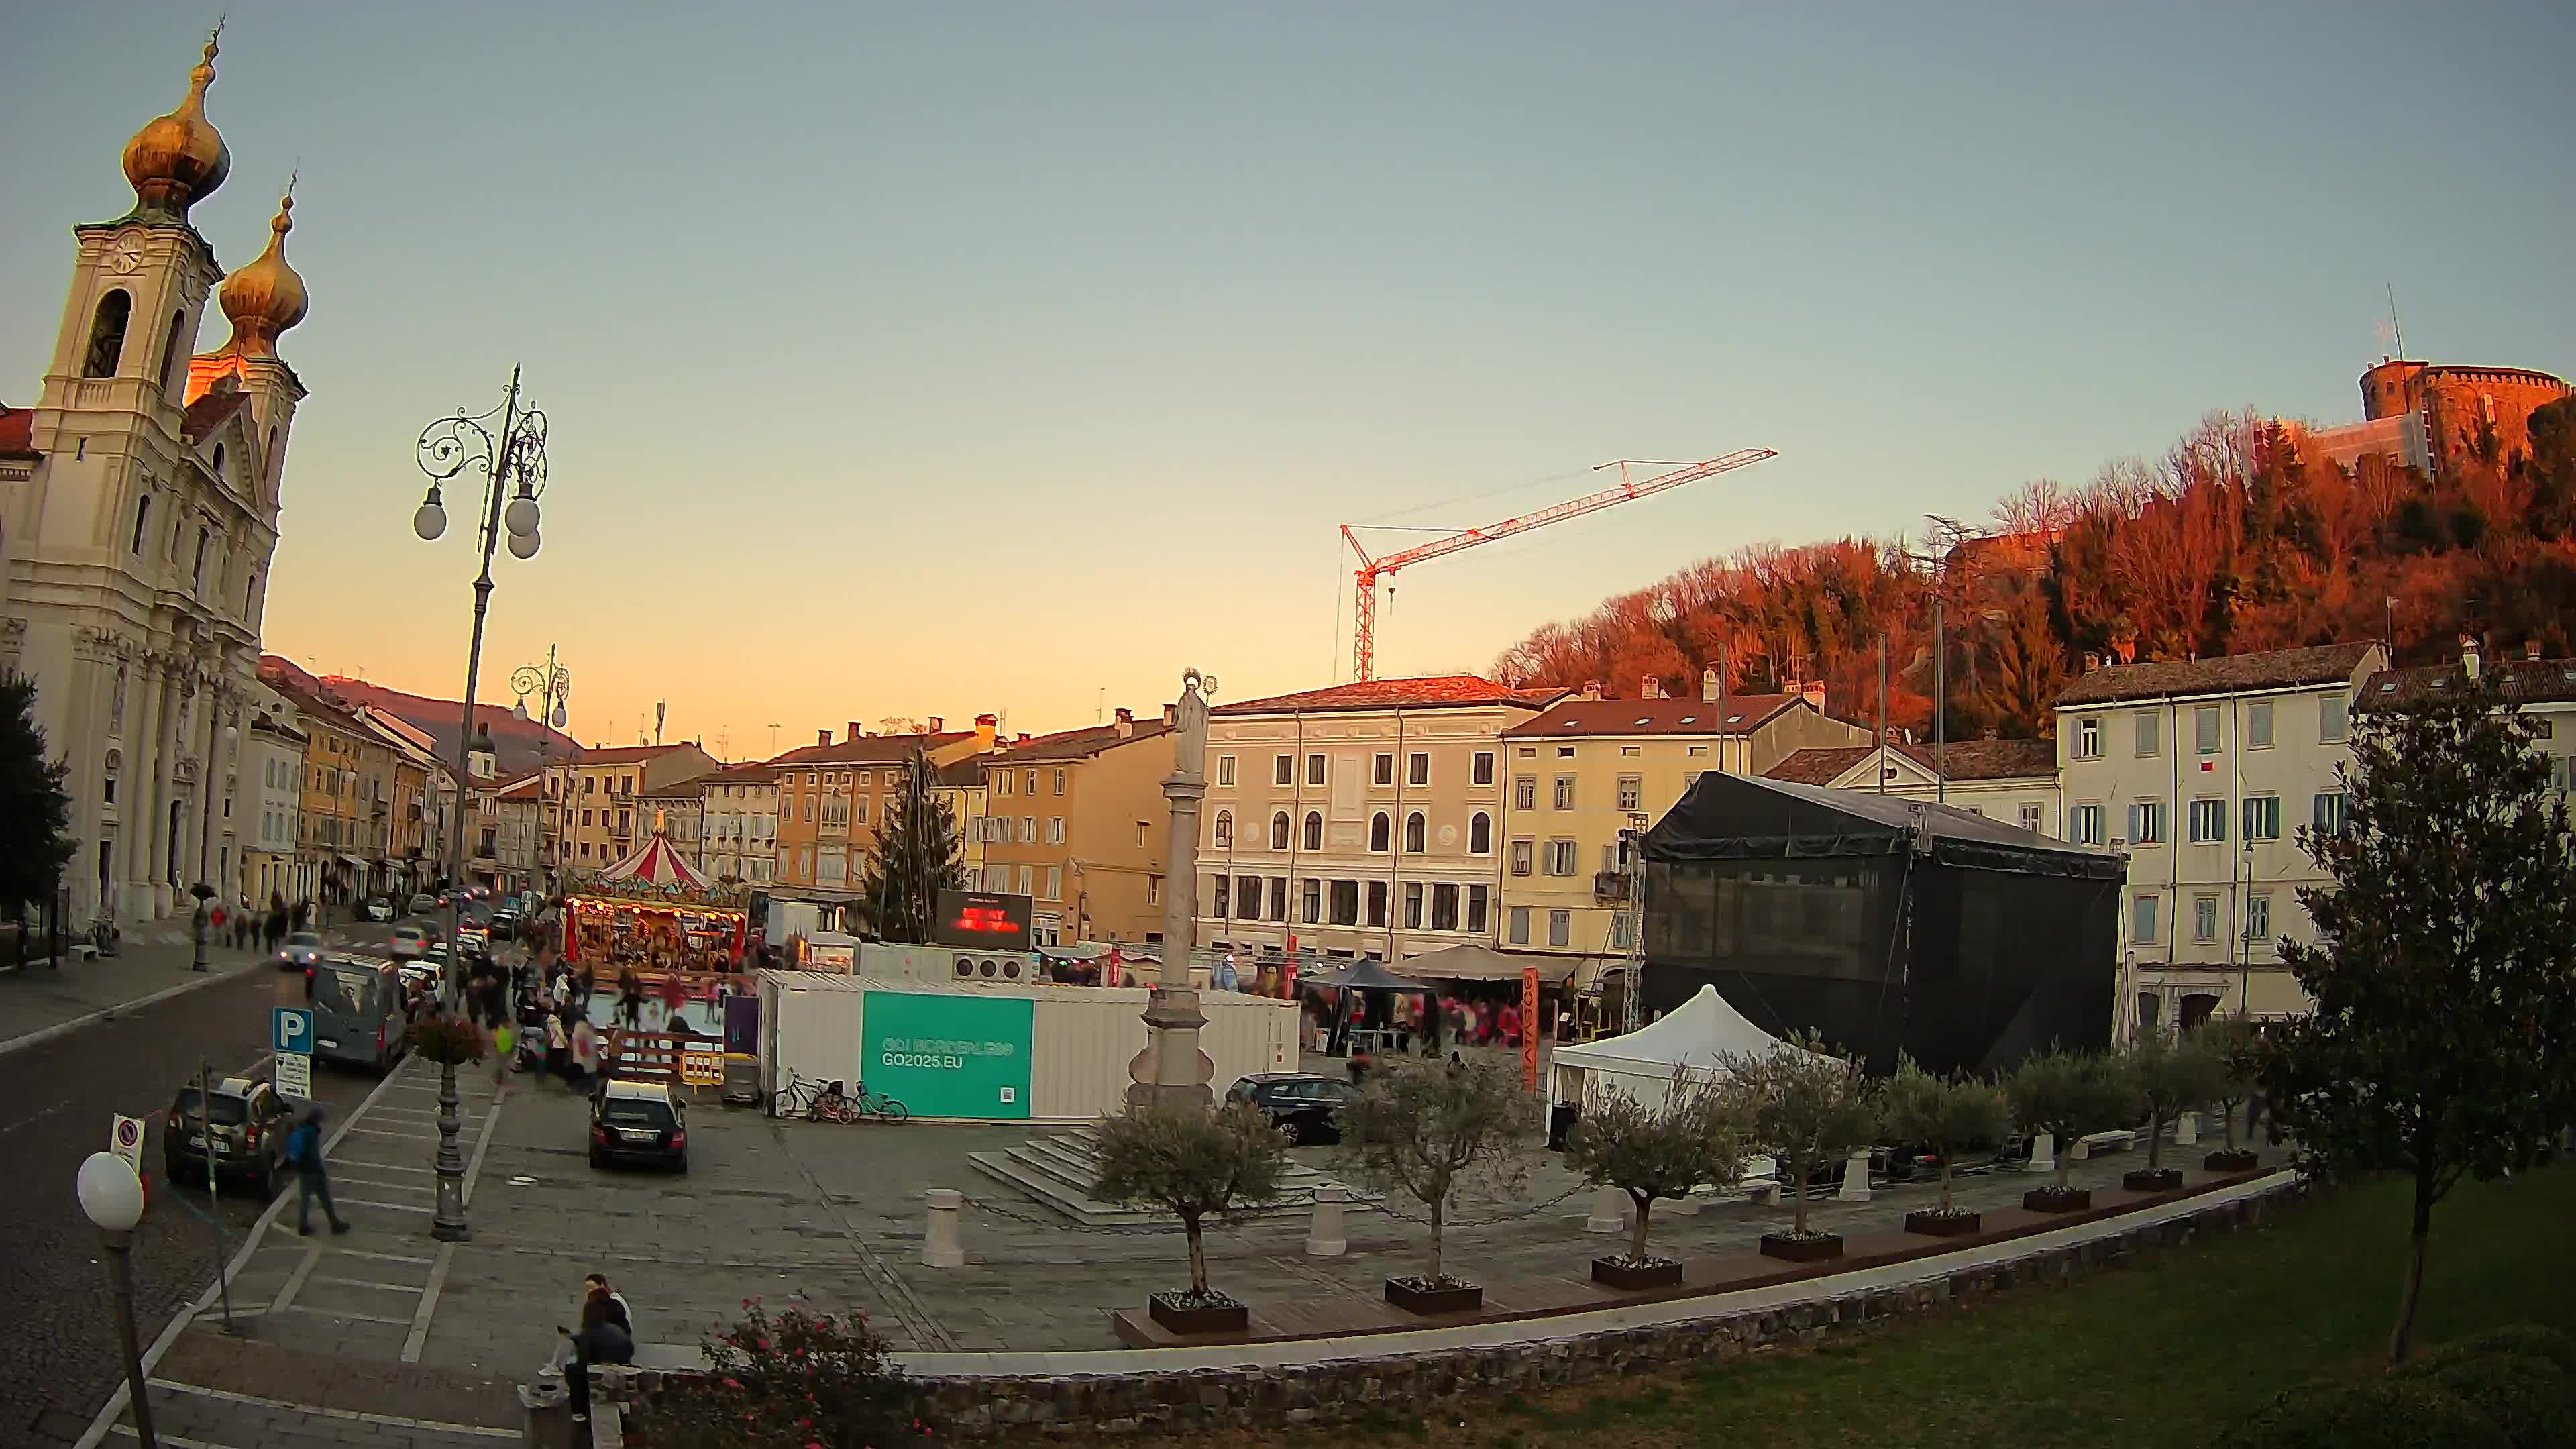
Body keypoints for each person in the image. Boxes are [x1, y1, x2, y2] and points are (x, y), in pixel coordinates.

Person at [561, 1287, 634, 1425]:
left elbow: (584, 1360)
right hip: (623, 1367)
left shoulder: (589, 1332)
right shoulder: (616, 1325)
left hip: (604, 1371)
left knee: (572, 1369)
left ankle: (579, 1412)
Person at [284, 1106, 350, 1236]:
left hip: (303, 1171)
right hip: (313, 1172)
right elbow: (313, 1156)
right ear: (317, 1120)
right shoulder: (311, 1133)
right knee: (325, 1198)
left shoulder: (301, 1129)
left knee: (305, 1200)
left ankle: (303, 1226)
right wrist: (320, 1171)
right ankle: (335, 1224)